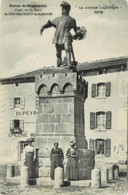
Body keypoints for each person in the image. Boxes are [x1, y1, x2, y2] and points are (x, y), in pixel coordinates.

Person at [40, 1, 80, 67]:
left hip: (66, 36)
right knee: (58, 53)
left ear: (68, 9)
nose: (63, 9)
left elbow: (76, 30)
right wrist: (43, 26)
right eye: (62, 8)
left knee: (68, 49)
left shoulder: (72, 20)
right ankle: (58, 65)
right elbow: (50, 23)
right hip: (58, 37)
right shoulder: (57, 19)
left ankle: (69, 63)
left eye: (64, 8)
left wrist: (78, 33)